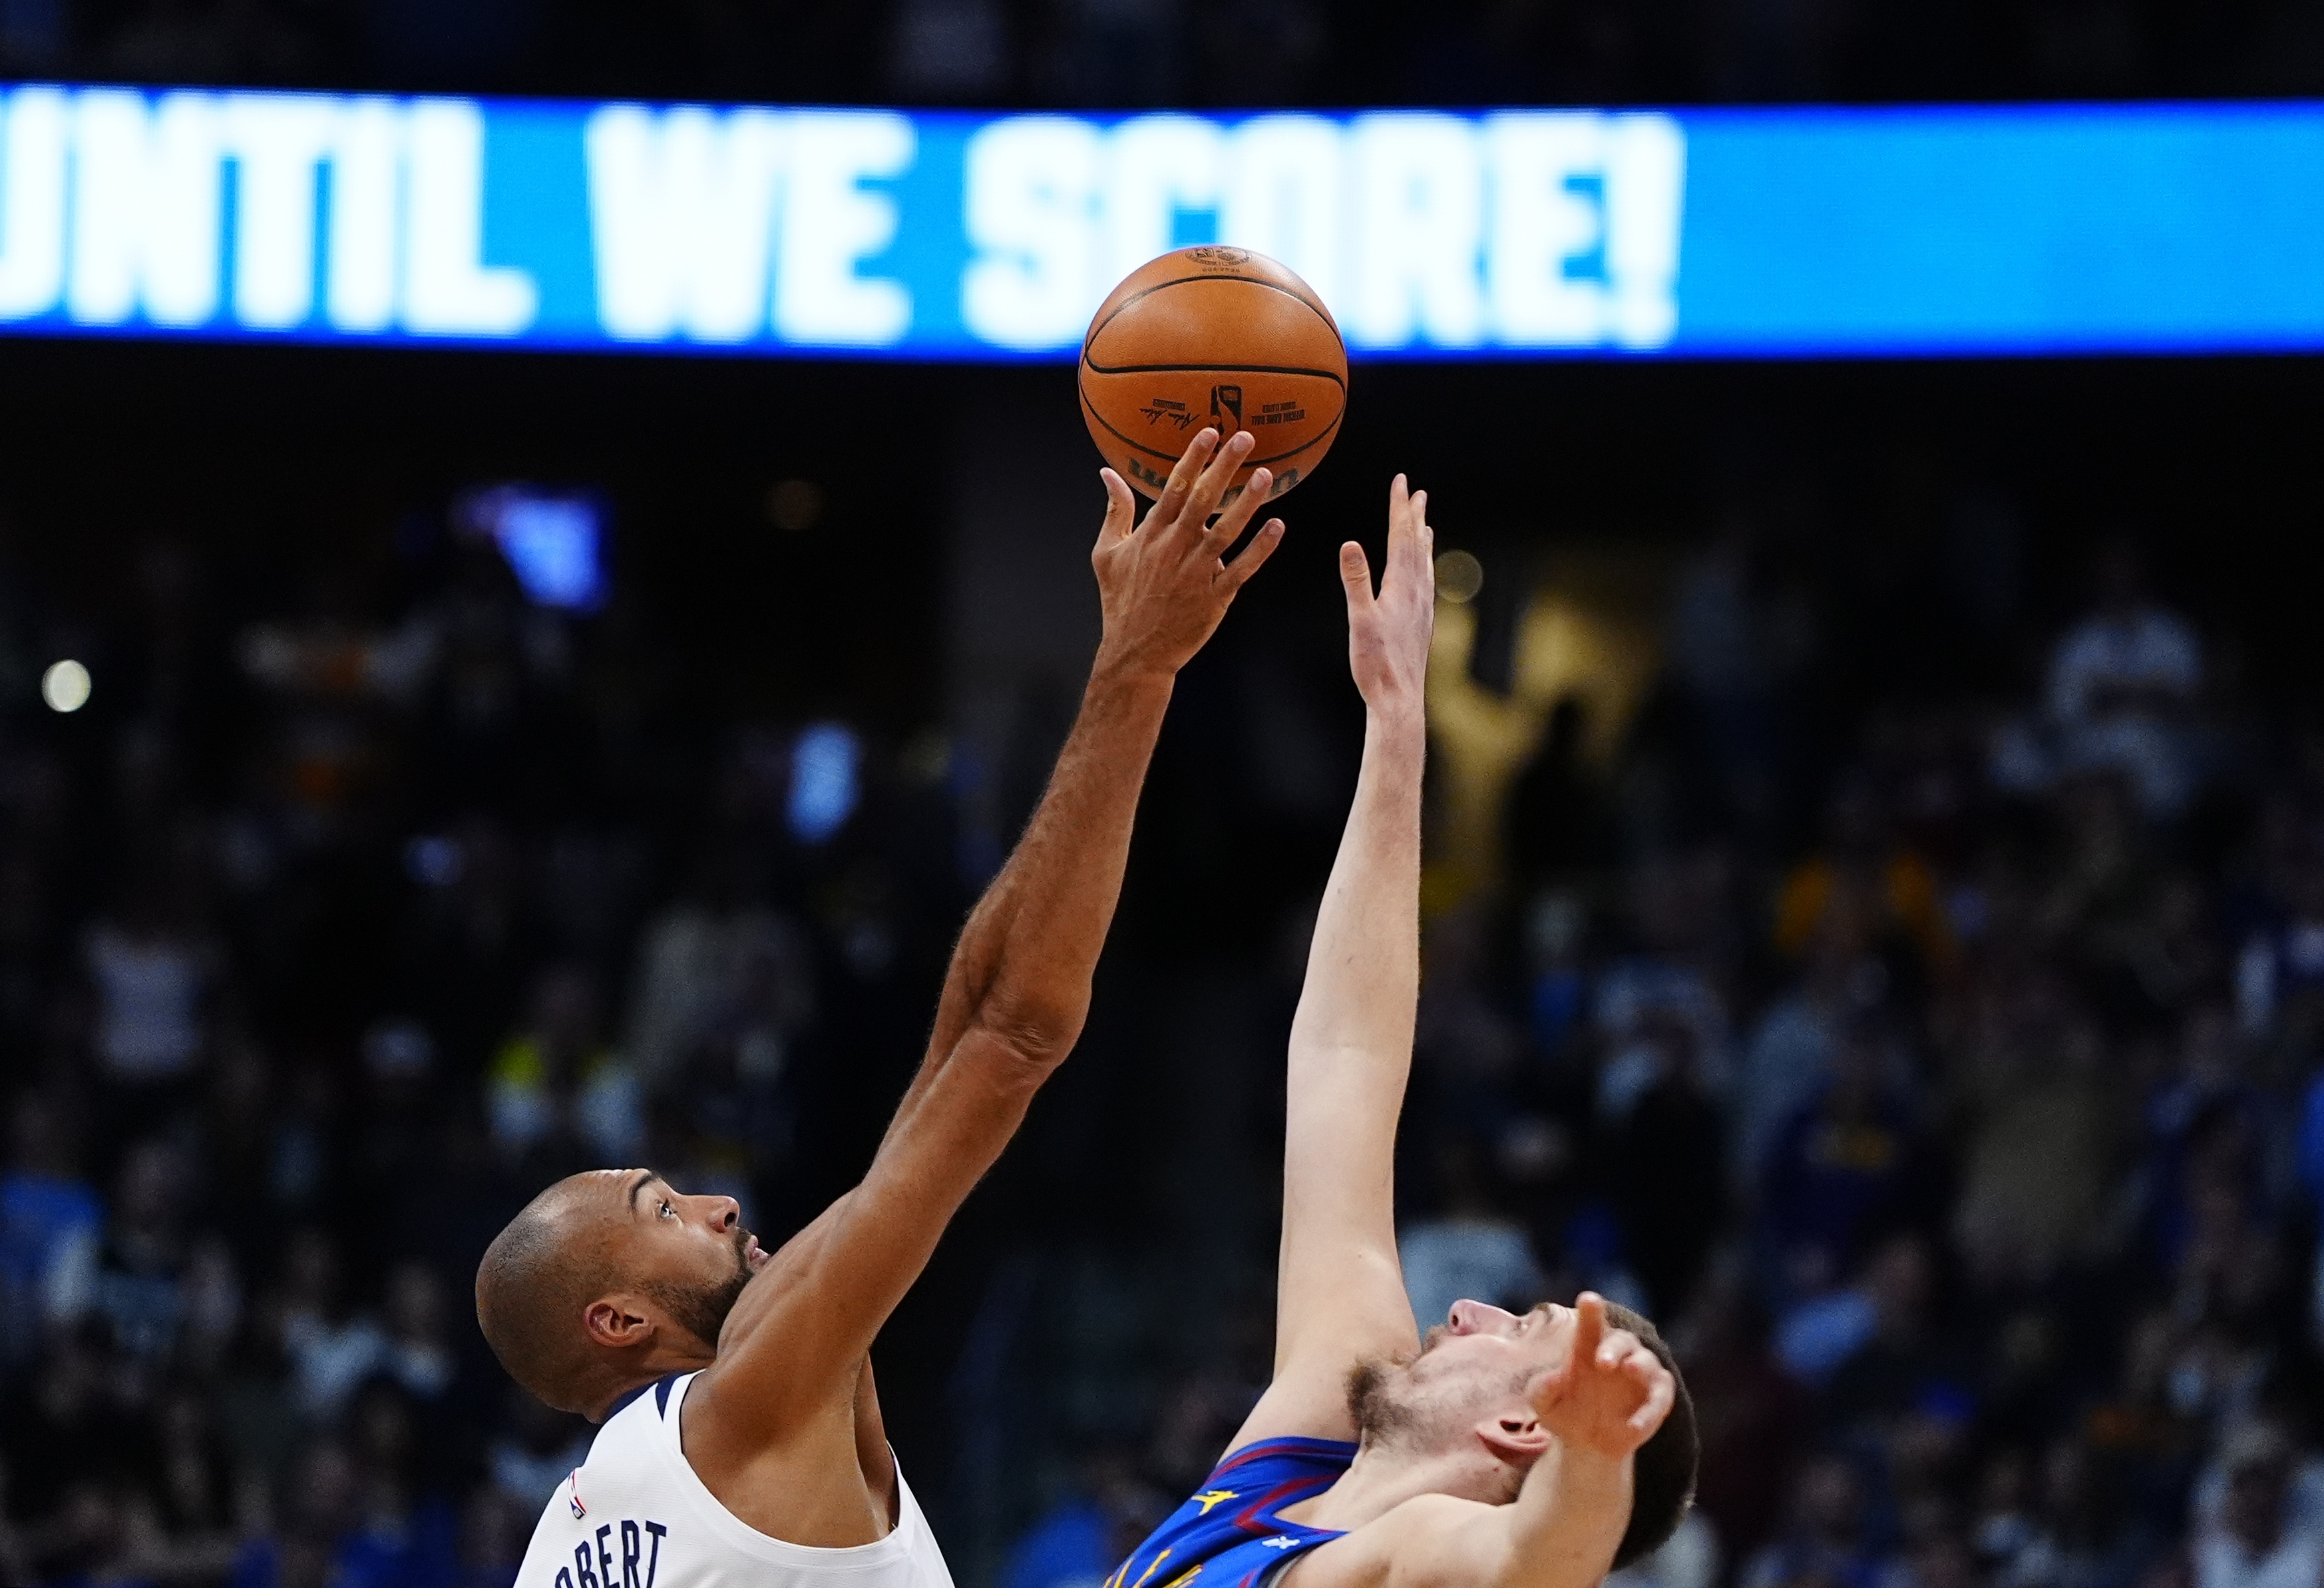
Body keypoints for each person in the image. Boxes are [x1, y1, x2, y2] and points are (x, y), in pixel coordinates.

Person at [475, 428, 1288, 1588]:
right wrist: (1137, 668)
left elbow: (962, 1041)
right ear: (619, 1321)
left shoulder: (562, 1541)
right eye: (663, 1208)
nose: (717, 1201)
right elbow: (1009, 1037)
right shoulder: (747, 1394)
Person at [1108, 479, 1697, 1588]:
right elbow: (1344, 1059)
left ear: (1527, 1428)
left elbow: (1533, 1557)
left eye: (1515, 1327)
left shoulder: (1416, 1553)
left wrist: (1596, 1461)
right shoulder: (1309, 1437)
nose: (1464, 1306)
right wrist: (1394, 722)